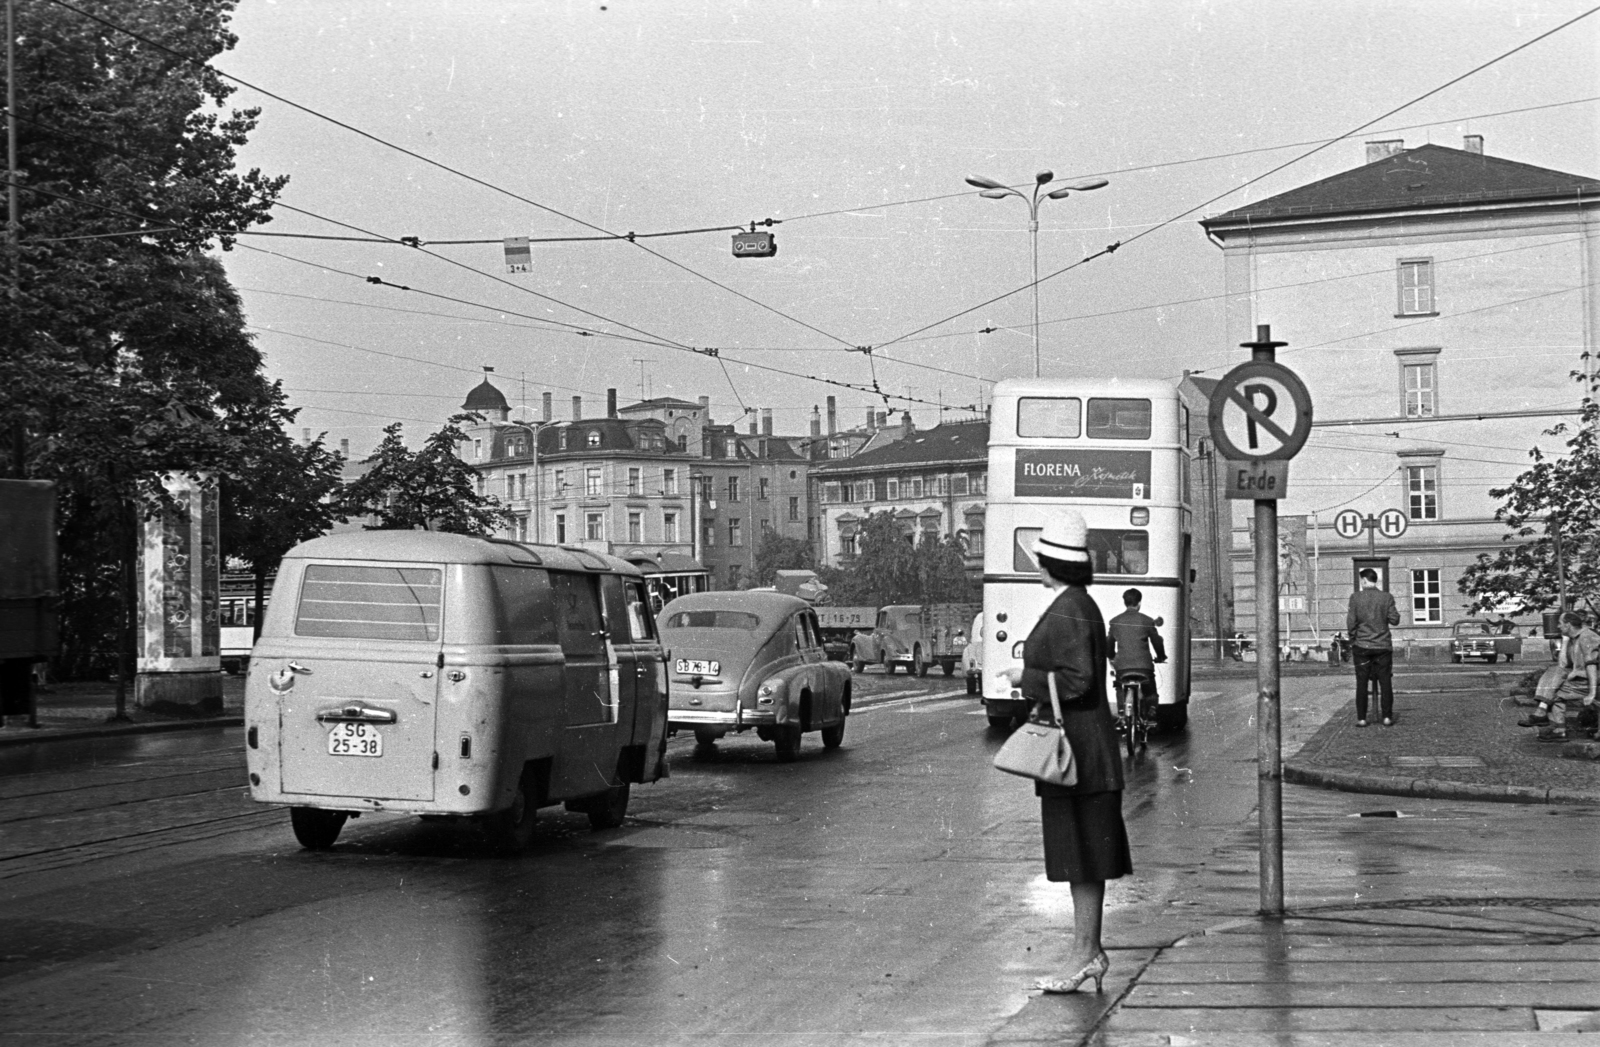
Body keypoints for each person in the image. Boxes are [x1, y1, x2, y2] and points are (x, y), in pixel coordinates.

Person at [1000, 510, 1131, 995]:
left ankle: (1086, 952)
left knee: (1085, 857)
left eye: (1040, 560)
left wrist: (1024, 679)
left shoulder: (1070, 607)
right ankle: (1087, 952)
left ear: (1053, 563)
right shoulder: (1076, 602)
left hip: (1078, 753)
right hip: (1083, 751)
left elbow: (1078, 682)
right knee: (1083, 858)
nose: (1036, 567)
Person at [1519, 610, 1598, 742]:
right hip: (1582, 680)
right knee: (1554, 676)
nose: (1558, 626)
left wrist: (1592, 693)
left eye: (1560, 623)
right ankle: (1555, 726)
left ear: (1568, 625)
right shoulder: (1573, 639)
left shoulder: (1587, 637)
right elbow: (1562, 665)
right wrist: (1565, 642)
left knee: (1553, 692)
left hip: (1593, 680)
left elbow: (1592, 665)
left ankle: (1545, 716)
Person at [1346, 568, 1400, 726]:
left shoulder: (1355, 598)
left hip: (1362, 646)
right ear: (1375, 580)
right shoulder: (1386, 597)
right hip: (1382, 646)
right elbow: (1395, 620)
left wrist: (1354, 637)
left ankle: (1362, 718)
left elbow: (1351, 623)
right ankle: (1387, 717)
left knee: (1361, 683)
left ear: (1363, 581)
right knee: (1385, 682)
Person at [1106, 588, 1166, 721]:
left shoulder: (1114, 621)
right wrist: (1161, 656)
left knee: (1119, 686)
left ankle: (1122, 711)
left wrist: (1112, 657)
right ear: (1139, 603)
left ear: (1125, 603)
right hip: (1143, 666)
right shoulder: (1147, 621)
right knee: (1150, 689)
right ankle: (1152, 709)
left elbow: (1109, 645)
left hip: (1122, 666)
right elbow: (1157, 642)